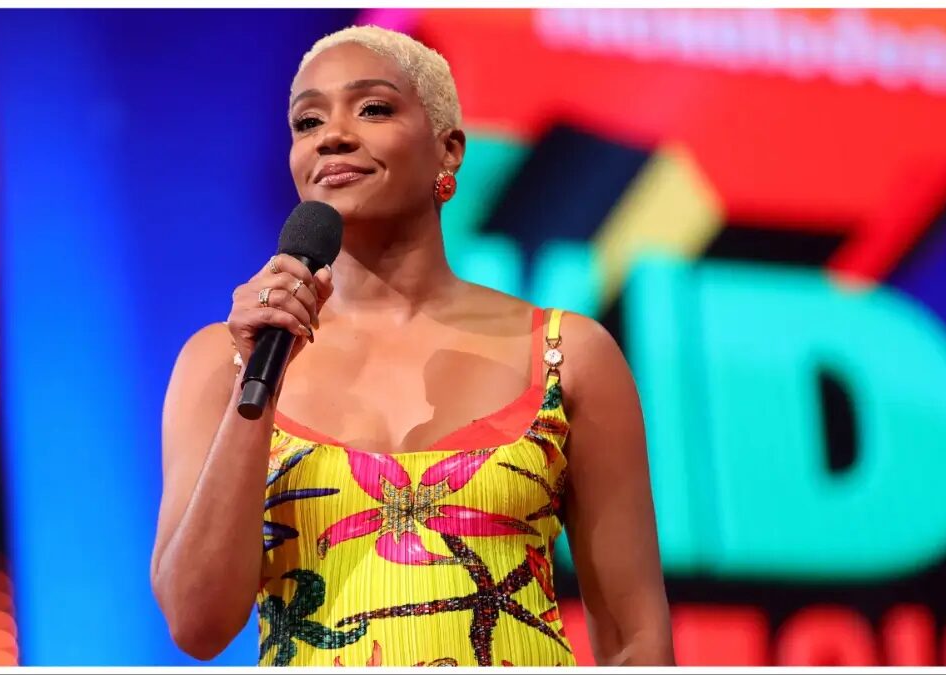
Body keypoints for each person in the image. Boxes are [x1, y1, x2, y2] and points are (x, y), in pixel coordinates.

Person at [150, 25, 673, 667]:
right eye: (308, 121)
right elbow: (196, 624)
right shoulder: (224, 360)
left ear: (448, 149)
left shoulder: (569, 353)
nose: (332, 136)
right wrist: (257, 383)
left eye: (372, 108)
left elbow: (636, 638)